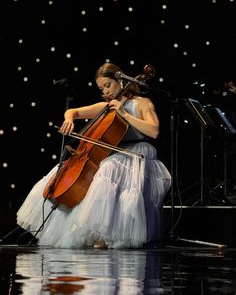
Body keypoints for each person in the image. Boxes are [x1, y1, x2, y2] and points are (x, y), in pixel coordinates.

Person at [16, 62, 171, 249]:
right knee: (63, 171)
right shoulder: (105, 106)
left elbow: (154, 131)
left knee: (108, 167)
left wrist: (124, 113)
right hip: (115, 152)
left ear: (120, 80)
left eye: (108, 85)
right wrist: (69, 118)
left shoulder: (142, 103)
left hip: (137, 152)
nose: (106, 91)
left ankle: (105, 234)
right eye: (101, 88)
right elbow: (74, 111)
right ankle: (91, 233)